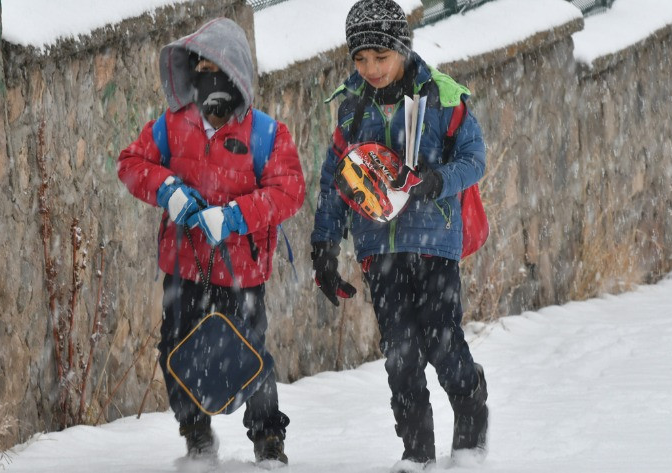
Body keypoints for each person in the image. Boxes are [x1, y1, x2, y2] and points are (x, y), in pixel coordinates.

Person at [117, 17, 304, 466]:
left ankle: (267, 439)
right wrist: (168, 189)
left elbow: (289, 190)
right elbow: (131, 164)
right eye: (198, 67)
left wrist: (237, 217)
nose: (206, 77)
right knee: (174, 348)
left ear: (235, 72)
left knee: (250, 354)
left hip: (243, 270)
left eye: (214, 67)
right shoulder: (170, 125)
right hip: (184, 264)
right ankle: (195, 431)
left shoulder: (266, 134)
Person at [310, 0, 489, 471]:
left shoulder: (443, 99)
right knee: (400, 354)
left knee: (441, 341)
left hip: (434, 242)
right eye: (360, 59)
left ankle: (470, 418)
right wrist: (324, 246)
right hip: (378, 248)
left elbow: (474, 159)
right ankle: (417, 456)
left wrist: (436, 181)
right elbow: (335, 182)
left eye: (380, 57)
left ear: (403, 48)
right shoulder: (350, 108)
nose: (370, 69)